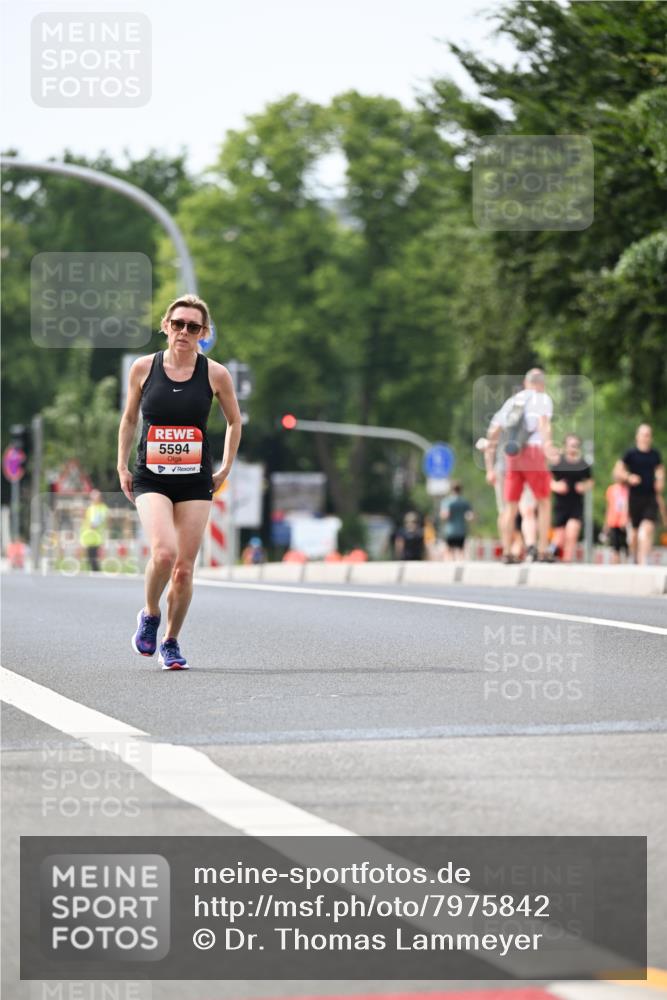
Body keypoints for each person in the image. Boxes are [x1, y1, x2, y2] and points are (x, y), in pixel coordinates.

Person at [118, 294, 242, 670]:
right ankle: (151, 613)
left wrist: (225, 468)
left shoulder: (215, 374)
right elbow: (128, 419)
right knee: (164, 553)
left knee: (185, 568)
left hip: (195, 481)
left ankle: (170, 640)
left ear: (203, 333)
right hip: (151, 476)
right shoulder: (143, 368)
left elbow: (235, 422)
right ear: (165, 326)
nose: (184, 332)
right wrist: (122, 466)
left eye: (193, 327)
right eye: (178, 324)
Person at [485, 368, 555, 563]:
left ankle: (507, 551)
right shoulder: (542, 399)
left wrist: (490, 461)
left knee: (510, 506)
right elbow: (543, 423)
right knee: (544, 501)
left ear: (526, 382)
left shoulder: (513, 401)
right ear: (541, 383)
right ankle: (542, 550)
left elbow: (493, 431)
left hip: (512, 455)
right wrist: (548, 445)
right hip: (533, 452)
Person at [615, 423, 665, 565]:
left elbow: (660, 470)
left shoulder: (655, 454)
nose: (645, 437)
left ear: (651, 437)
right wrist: (628, 477)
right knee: (635, 535)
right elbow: (617, 472)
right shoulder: (630, 454)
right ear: (637, 436)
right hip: (634, 498)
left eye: (648, 435)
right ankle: (635, 559)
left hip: (650, 498)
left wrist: (660, 480)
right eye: (643, 434)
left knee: (646, 530)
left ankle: (643, 563)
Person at [549, 434, 593, 562]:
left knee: (572, 533)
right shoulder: (558, 463)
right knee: (560, 537)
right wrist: (556, 486)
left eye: (576, 445)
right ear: (565, 446)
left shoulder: (583, 464)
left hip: (576, 504)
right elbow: (547, 480)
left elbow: (590, 481)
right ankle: (550, 553)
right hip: (561, 505)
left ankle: (567, 562)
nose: (573, 448)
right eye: (571, 445)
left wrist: (583, 486)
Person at [439, 482, 474, 560]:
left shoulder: (447, 501)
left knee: (449, 551)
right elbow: (470, 516)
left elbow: (444, 515)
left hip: (450, 531)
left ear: (451, 490)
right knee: (461, 552)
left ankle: (451, 568)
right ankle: (460, 567)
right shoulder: (464, 502)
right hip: (461, 530)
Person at [603, 466, 629, 564]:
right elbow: (609, 506)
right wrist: (606, 524)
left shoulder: (628, 489)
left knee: (626, 546)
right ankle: (616, 564)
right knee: (615, 546)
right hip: (613, 521)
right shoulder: (611, 489)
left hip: (625, 521)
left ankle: (627, 564)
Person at [79, 489, 109, 571]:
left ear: (100, 497)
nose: (93, 498)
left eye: (95, 496)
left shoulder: (102, 508)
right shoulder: (90, 507)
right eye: (92, 496)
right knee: (89, 560)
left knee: (93, 560)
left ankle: (97, 576)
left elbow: (95, 523)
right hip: (87, 537)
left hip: (95, 538)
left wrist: (92, 525)